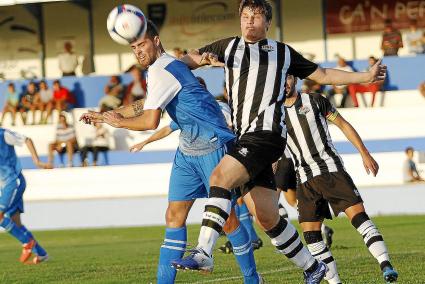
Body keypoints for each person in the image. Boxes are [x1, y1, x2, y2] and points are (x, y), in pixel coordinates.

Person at [175, 1, 386, 282]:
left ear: (267, 23)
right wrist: (175, 63)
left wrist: (366, 76)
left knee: (219, 177)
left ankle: (204, 251)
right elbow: (188, 60)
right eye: (245, 16)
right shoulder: (227, 47)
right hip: (245, 138)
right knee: (266, 218)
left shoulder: (283, 53)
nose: (250, 21)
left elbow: (323, 75)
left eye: (257, 16)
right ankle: (313, 267)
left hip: (266, 134)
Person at [80, 20, 263, 284]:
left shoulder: (163, 68)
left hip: (213, 144)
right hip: (188, 152)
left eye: (141, 44)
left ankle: (252, 279)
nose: (138, 51)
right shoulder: (163, 68)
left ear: (156, 41)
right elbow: (145, 104)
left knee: (228, 221)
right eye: (133, 47)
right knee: (173, 216)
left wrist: (116, 121)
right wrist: (106, 115)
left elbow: (150, 120)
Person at [283, 74, 398, 283]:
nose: (284, 84)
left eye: (288, 78)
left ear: (295, 79)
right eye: (279, 80)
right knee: (311, 236)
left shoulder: (316, 100)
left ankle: (385, 263)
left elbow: (343, 124)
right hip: (304, 179)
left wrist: (364, 152)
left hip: (331, 171)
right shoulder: (273, 114)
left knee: (358, 217)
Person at [0, 127, 52, 264]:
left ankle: (27, 243)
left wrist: (37, 162)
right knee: (15, 221)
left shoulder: (3, 134)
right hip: (5, 187)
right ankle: (41, 254)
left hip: (13, 182)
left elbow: (27, 139)